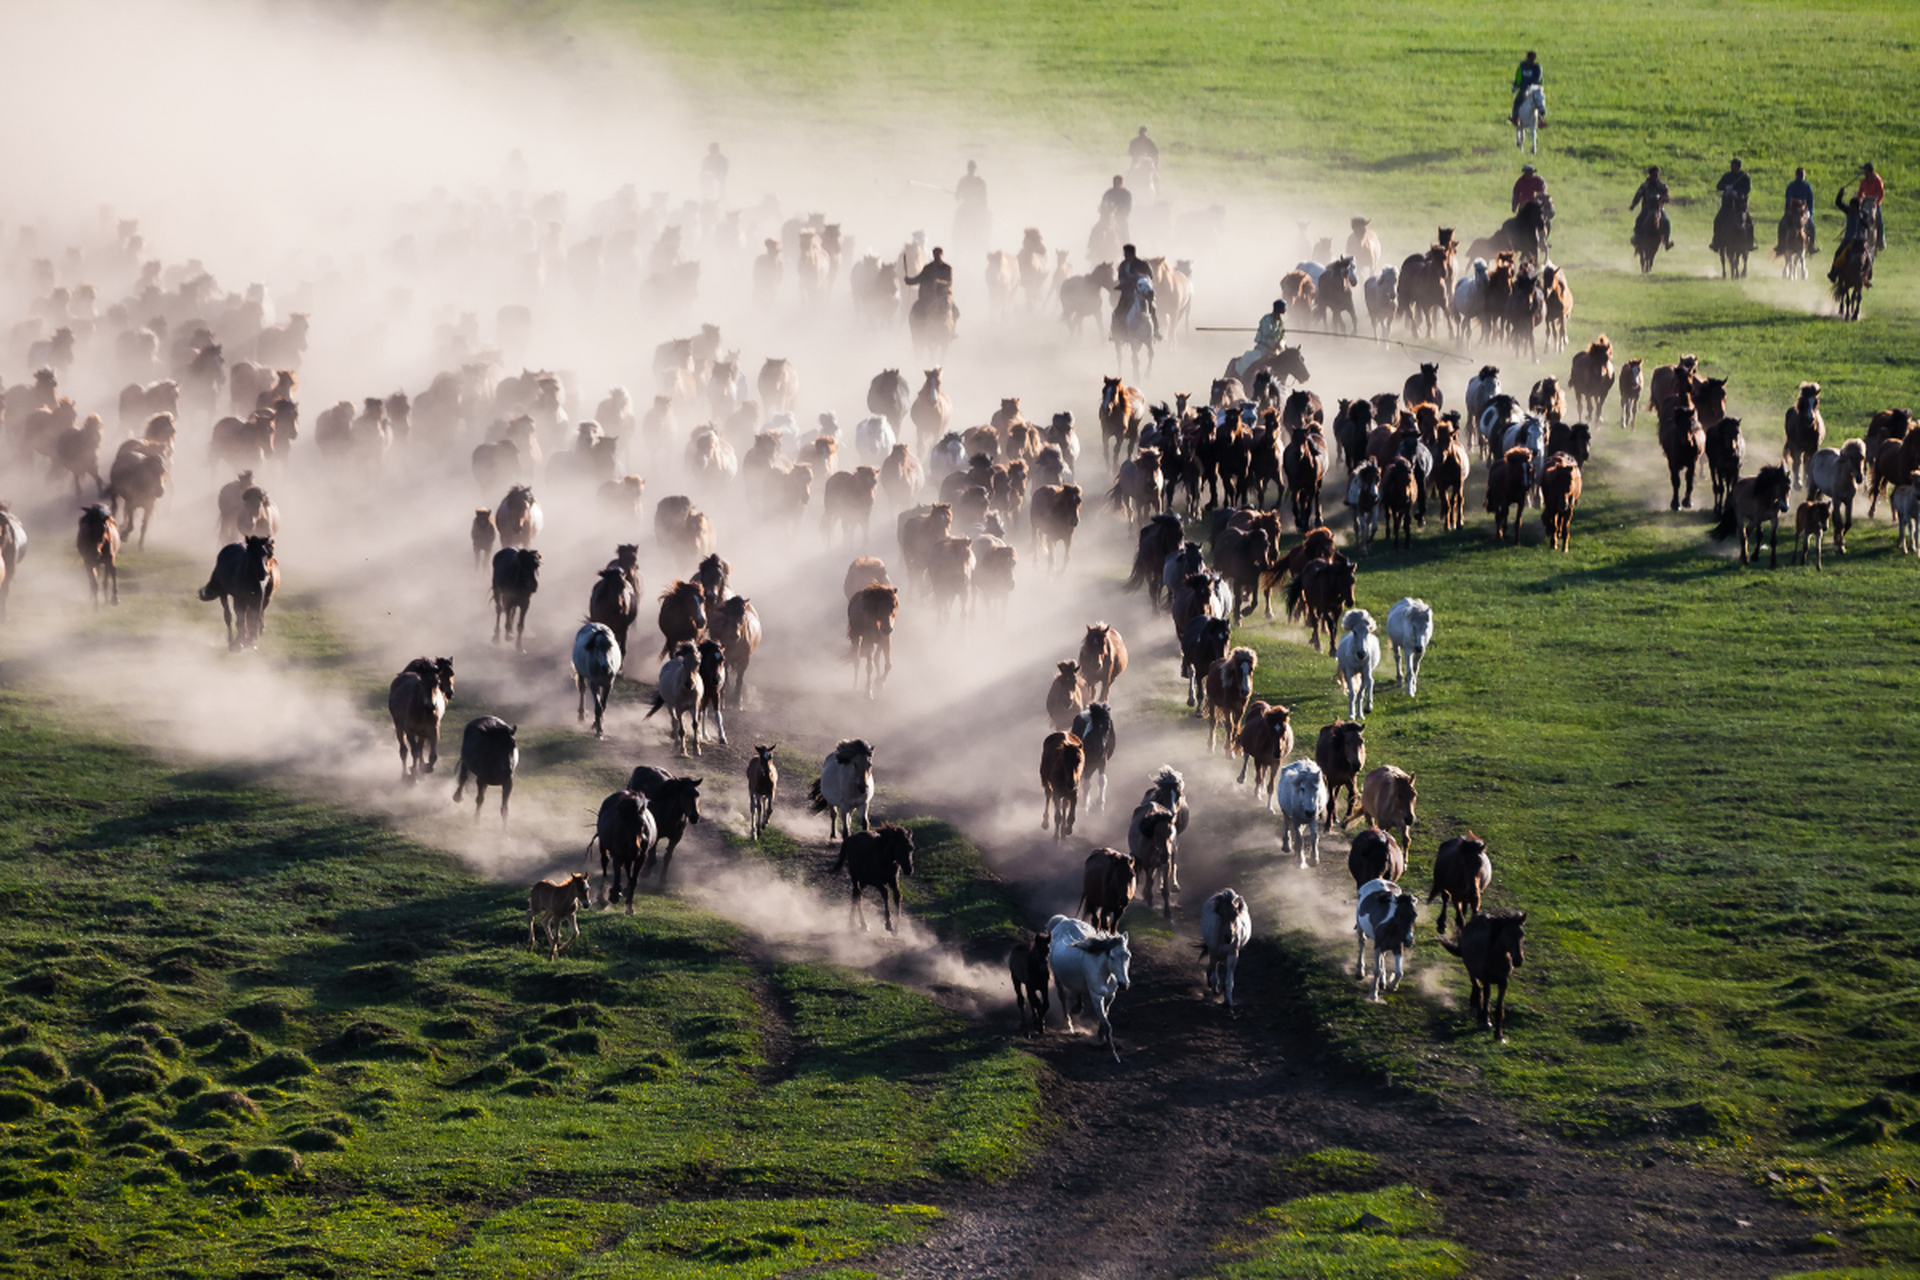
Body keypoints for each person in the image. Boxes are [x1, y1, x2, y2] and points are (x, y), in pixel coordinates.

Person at [1114, 243, 1159, 336]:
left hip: (1141, 293)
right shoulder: (1123, 265)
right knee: (1117, 312)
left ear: (1131, 253)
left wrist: (1138, 277)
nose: (1124, 255)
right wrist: (1125, 282)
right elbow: (1120, 277)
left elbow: (1150, 276)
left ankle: (1156, 331)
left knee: (1152, 308)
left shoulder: (1142, 264)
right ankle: (1116, 333)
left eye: (1126, 253)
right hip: (1127, 292)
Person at [1235, 299, 1287, 378]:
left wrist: (1281, 343)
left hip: (1275, 351)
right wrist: (1279, 333)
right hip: (1263, 349)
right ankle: (1243, 376)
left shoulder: (1281, 322)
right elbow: (1267, 332)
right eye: (1284, 307)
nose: (1285, 310)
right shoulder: (1266, 319)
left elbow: (1282, 336)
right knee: (1249, 359)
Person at [1631, 166, 1673, 250]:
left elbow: (1667, 198)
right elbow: (1638, 196)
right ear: (1650, 175)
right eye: (1654, 175)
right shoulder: (1645, 186)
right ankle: (1636, 237)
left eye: (1657, 175)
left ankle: (1666, 242)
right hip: (1647, 209)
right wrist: (1633, 205)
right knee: (1639, 220)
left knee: (1666, 221)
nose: (1656, 177)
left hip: (1659, 210)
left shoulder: (1662, 186)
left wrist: (1663, 198)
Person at [1857, 163, 1886, 249]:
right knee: (1857, 216)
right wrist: (1859, 201)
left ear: (1869, 172)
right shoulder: (1863, 181)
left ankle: (1881, 241)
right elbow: (1860, 193)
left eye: (1865, 172)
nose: (1864, 173)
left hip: (1874, 202)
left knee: (1879, 220)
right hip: (1866, 202)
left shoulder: (1877, 180)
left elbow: (1881, 194)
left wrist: (1876, 203)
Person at [1511, 50, 1543, 126]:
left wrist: (1531, 86)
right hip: (1523, 88)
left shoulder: (1537, 68)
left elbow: (1537, 79)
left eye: (1533, 59)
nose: (1531, 61)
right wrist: (1515, 85)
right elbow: (1518, 77)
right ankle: (1514, 117)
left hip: (1534, 88)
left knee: (1540, 100)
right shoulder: (1522, 66)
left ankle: (1541, 119)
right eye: (1530, 58)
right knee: (1517, 101)